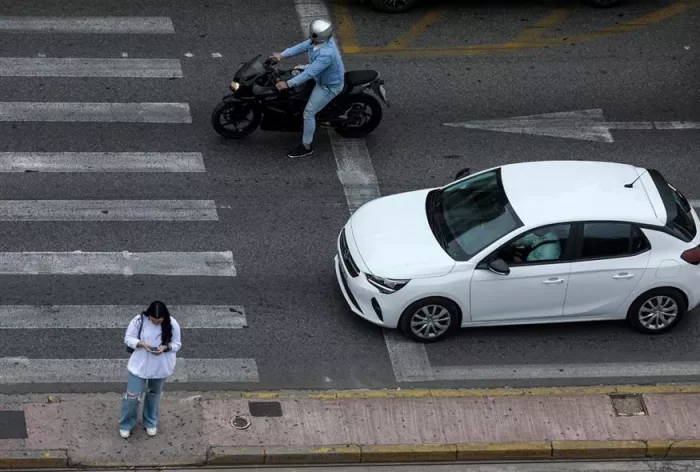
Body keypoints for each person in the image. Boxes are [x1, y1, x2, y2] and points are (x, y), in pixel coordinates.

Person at [270, 19, 345, 159]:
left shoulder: (326, 55)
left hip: (327, 86)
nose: (311, 34)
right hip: (319, 75)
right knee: (294, 70)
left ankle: (306, 146)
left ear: (318, 36)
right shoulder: (319, 41)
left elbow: (309, 74)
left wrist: (288, 84)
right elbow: (303, 46)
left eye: (313, 33)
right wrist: (282, 55)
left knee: (308, 113)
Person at [119, 301, 182, 439]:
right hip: (140, 364)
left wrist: (166, 348)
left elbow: (177, 344)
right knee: (132, 396)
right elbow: (128, 338)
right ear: (149, 316)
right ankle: (126, 424)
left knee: (154, 395)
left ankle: (150, 422)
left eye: (159, 321)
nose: (155, 323)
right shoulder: (138, 320)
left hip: (161, 366)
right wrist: (140, 343)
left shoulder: (172, 323)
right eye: (153, 320)